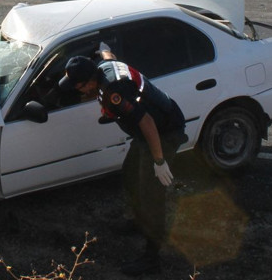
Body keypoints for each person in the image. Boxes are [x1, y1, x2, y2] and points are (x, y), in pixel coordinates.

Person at [59, 50, 186, 276]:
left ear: (89, 81)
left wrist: (159, 161)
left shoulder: (114, 93)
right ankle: (138, 221)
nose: (79, 92)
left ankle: (152, 257)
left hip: (162, 132)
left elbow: (146, 122)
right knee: (130, 174)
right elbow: (109, 56)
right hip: (145, 133)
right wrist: (101, 49)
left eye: (78, 87)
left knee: (151, 194)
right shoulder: (105, 67)